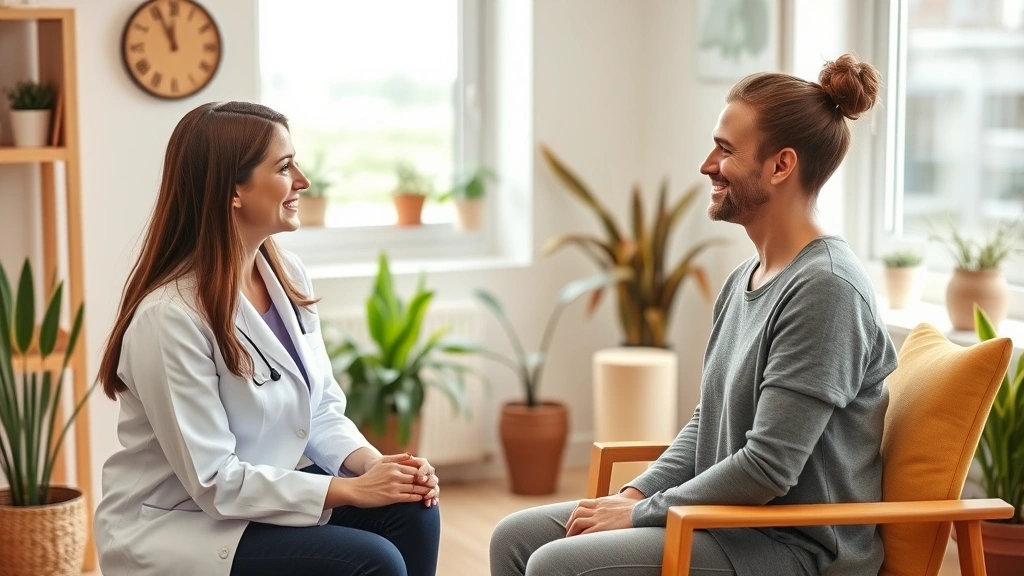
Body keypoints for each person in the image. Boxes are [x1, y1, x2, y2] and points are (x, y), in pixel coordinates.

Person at [490, 54, 896, 576]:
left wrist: (639, 513)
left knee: (554, 565)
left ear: (780, 165)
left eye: (725, 150)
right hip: (727, 524)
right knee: (514, 538)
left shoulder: (827, 290)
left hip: (794, 548)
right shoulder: (746, 278)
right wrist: (636, 492)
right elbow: (707, 423)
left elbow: (768, 468)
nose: (707, 164)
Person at [94, 101, 440, 576]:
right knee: (373, 562)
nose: (303, 180)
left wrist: (381, 471)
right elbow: (215, 481)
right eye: (284, 166)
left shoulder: (286, 274)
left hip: (255, 502)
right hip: (181, 526)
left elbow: (319, 410)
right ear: (233, 190)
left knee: (412, 509)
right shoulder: (168, 318)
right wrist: (351, 491)